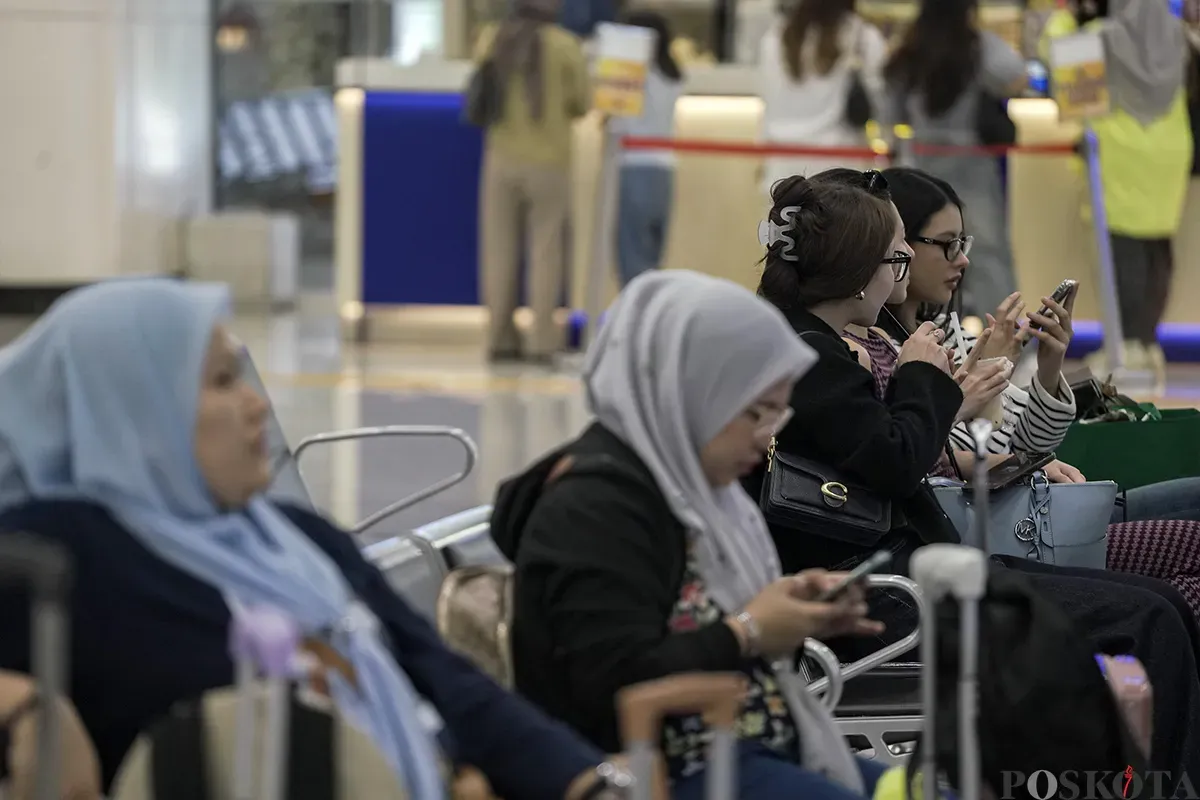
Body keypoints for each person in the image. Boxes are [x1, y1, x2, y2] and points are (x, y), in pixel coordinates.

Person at [0, 279, 626, 800]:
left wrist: (587, 782)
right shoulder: (63, 552)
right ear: (130, 410)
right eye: (222, 381)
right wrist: (21, 708)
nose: (256, 406)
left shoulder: (294, 538)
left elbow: (445, 680)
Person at [746, 168, 1200, 780]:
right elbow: (903, 459)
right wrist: (931, 382)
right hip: (894, 587)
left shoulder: (857, 342)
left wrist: (1006, 378)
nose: (924, 260)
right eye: (902, 252)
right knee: (1152, 618)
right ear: (861, 272)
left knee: (1164, 605)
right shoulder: (824, 352)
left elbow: (936, 447)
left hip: (925, 563)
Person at [491, 270, 892, 799]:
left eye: (779, 411)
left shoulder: (697, 487)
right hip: (662, 772)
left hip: (744, 745)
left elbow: (702, 614)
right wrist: (749, 630)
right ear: (690, 393)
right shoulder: (595, 508)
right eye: (756, 411)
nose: (770, 432)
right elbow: (610, 684)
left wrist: (791, 612)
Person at [1042, 0, 1193, 375]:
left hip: (1119, 153)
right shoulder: (1178, 37)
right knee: (1156, 251)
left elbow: (1059, 66)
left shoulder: (1100, 38)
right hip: (1171, 152)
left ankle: (1124, 349)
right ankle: (1146, 343)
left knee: (1119, 252)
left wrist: (1069, 16)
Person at [884, 0, 1028, 318]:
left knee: (925, 253)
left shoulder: (912, 47)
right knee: (989, 257)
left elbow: (890, 111)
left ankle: (930, 331)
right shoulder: (976, 46)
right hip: (973, 164)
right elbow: (1017, 75)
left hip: (922, 166)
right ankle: (1006, 334)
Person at [474, 0, 589, 364]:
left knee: (499, 250)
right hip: (551, 161)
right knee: (546, 251)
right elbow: (582, 103)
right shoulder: (566, 46)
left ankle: (499, 338)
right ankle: (541, 341)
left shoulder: (493, 38)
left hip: (501, 158)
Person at [758, 0, 887, 190]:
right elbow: (880, 105)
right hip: (839, 172)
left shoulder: (775, 37)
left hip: (781, 169)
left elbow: (766, 98)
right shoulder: (863, 37)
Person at [611, 12, 683, 287]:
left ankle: (635, 326)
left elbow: (615, 118)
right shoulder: (673, 75)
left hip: (633, 166)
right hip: (664, 172)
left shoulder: (631, 74)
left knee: (631, 259)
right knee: (653, 259)